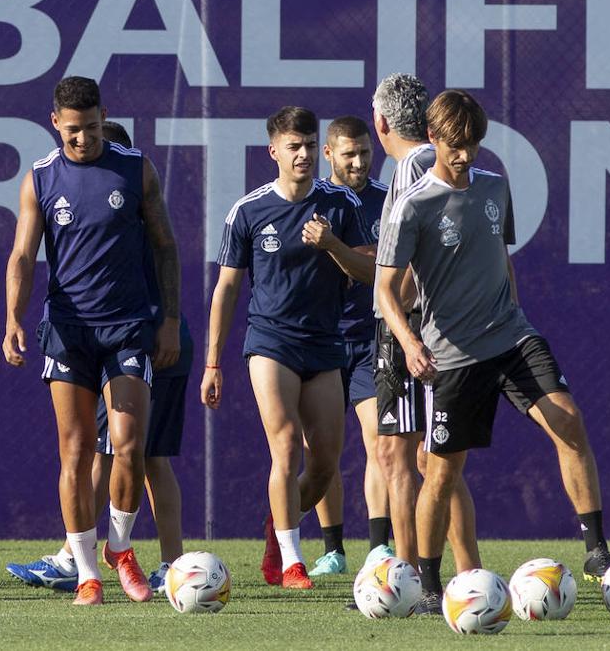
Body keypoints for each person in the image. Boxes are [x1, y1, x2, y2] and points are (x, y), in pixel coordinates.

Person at [376, 89, 610, 612]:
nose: (466, 155)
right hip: (453, 356)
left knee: (569, 422)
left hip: (511, 337)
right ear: (434, 138)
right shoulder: (412, 206)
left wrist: (516, 312)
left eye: (474, 144)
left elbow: (499, 256)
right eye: (456, 145)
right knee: (440, 471)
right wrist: (411, 344)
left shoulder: (495, 187)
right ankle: (429, 583)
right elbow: (385, 291)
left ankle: (596, 550)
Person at [3, 77, 181, 606]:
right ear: (55, 122)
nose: (82, 139)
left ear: (105, 116)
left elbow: (166, 246)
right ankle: (85, 572)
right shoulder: (39, 178)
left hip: (127, 326)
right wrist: (13, 317)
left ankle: (120, 549)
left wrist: (169, 319)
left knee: (128, 446)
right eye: (73, 130)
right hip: (68, 330)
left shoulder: (136, 168)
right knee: (77, 452)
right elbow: (22, 255)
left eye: (93, 127)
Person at [200, 106, 374, 591]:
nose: (302, 155)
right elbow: (227, 289)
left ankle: (279, 530)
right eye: (292, 147)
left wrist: (334, 245)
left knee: (323, 464)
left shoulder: (341, 204)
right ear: (273, 150)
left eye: (309, 146)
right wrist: (213, 362)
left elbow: (370, 270)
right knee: (284, 448)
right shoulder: (249, 210)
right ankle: (294, 561)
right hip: (271, 343)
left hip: (324, 344)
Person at [370, 73, 480, 612]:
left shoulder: (415, 165)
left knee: (415, 457)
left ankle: (417, 580)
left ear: (381, 122)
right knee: (425, 457)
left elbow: (408, 261)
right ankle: (460, 574)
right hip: (411, 328)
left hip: (410, 329)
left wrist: (404, 325)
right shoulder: (413, 165)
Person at [304, 116, 392, 578]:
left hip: (371, 336)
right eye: (348, 154)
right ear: (329, 155)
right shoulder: (312, 201)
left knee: (379, 441)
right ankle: (333, 549)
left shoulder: (388, 199)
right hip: (321, 340)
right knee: (320, 451)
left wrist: (344, 250)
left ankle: (379, 546)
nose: (358, 162)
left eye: (364, 152)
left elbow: (383, 266)